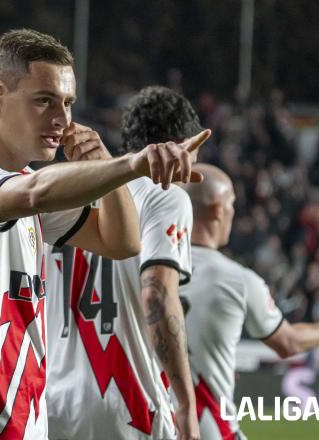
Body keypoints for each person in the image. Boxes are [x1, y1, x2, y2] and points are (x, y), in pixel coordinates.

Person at [0, 29, 210, 440]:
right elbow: (36, 193)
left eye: (68, 103)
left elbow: (121, 241)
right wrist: (131, 165)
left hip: (24, 426)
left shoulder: (17, 184)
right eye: (44, 100)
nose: (63, 119)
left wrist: (107, 164)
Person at [45, 86, 203, 440]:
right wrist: (186, 404)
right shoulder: (164, 195)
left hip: (50, 405)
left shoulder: (61, 190)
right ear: (183, 145)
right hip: (126, 404)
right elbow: (157, 297)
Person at [180, 164, 319, 440]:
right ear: (218, 210)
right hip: (209, 427)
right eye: (232, 204)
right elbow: (289, 342)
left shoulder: (141, 269)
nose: (234, 213)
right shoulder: (237, 280)